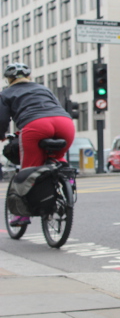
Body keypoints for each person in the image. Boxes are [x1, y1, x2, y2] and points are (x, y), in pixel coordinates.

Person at [0, 63, 75, 226]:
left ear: (8, 79)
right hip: (65, 123)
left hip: (36, 125)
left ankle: (22, 216)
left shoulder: (5, 93)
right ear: (29, 77)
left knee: (29, 169)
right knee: (58, 156)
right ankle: (68, 180)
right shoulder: (43, 89)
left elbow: (2, 119)